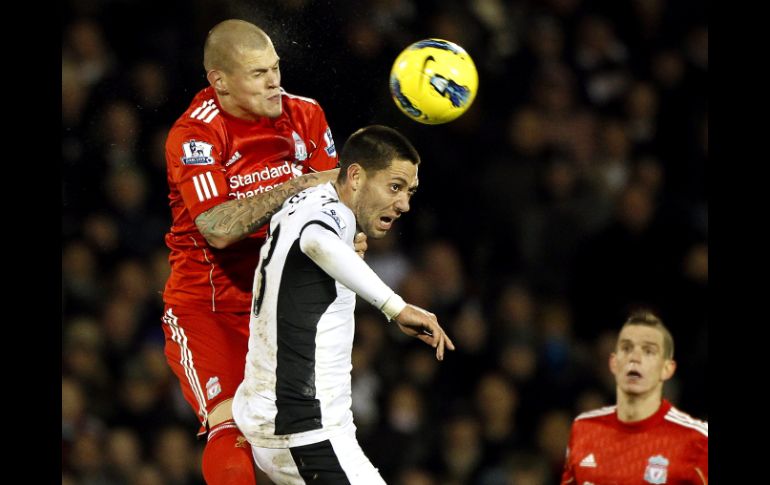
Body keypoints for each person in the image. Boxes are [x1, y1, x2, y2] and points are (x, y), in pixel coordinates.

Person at [161, 19, 367, 484]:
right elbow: (216, 227)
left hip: (281, 305)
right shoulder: (195, 134)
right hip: (209, 306)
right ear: (220, 82)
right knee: (231, 424)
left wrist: (351, 231)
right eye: (258, 74)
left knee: (298, 433)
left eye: (275, 68)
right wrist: (298, 185)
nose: (274, 81)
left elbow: (338, 205)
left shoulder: (305, 114)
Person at [232, 125, 456, 484]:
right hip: (308, 433)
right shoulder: (328, 214)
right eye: (394, 187)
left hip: (288, 426)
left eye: (409, 192)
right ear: (355, 176)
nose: (404, 204)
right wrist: (395, 307)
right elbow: (316, 241)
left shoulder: (308, 202)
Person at [561, 311, 707, 484]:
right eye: (626, 348)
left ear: (667, 369)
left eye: (648, 351)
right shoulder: (583, 429)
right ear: (613, 363)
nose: (635, 358)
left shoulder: (696, 440)